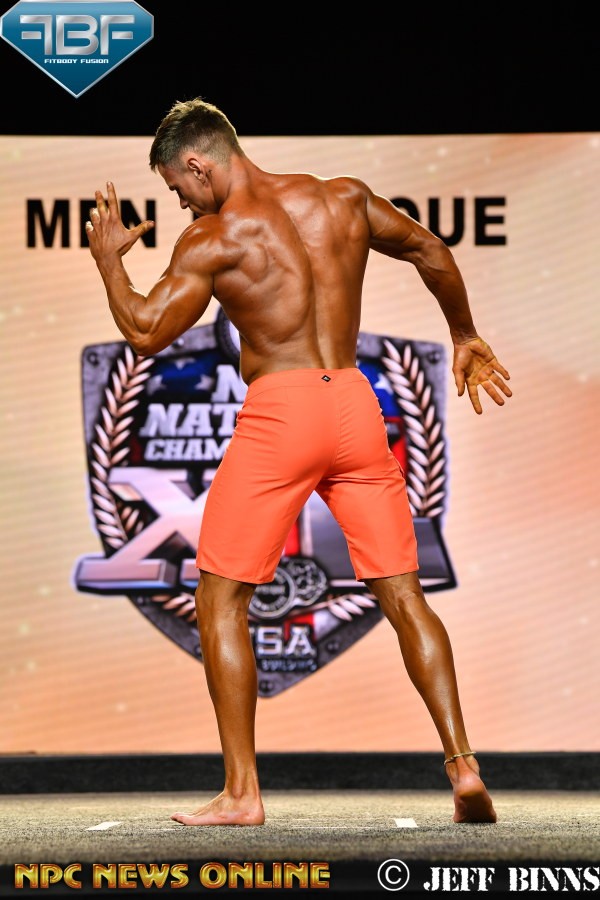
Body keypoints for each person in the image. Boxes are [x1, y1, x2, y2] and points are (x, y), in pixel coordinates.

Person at [85, 97, 511, 828]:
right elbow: (431, 250)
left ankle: (242, 794)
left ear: (199, 164)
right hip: (354, 404)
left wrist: (107, 263)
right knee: (404, 594)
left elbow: (147, 331)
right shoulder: (342, 198)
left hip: (282, 411)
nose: (180, 202)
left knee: (220, 599)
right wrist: (465, 334)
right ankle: (463, 764)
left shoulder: (215, 236)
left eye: (177, 187)